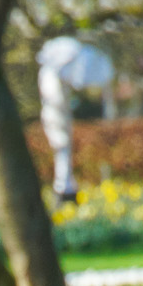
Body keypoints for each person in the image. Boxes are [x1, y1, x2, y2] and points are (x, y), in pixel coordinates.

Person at [36, 34, 115, 203]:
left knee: (63, 147)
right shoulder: (51, 75)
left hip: (60, 115)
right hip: (56, 116)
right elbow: (55, 99)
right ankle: (63, 188)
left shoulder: (62, 70)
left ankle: (65, 186)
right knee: (61, 146)